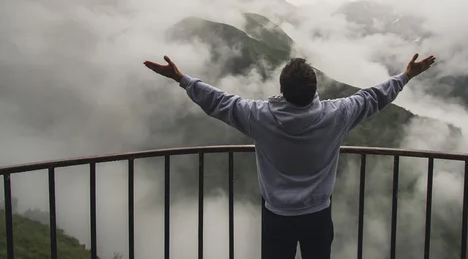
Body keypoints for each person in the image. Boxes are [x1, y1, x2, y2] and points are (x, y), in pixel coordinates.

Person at [144, 53, 435, 259]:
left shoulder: (258, 117)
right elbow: (373, 97)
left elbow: (218, 102)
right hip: (318, 215)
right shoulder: (338, 115)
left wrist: (181, 79)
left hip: (277, 216)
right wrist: (406, 75)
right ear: (314, 91)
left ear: (282, 89)